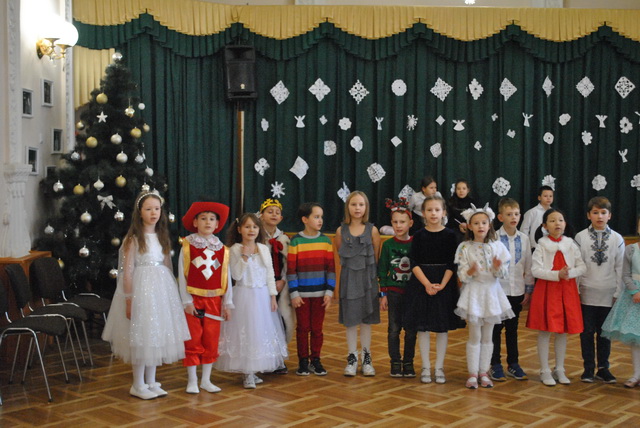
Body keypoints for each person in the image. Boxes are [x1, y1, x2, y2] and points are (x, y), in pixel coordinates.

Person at [102, 191, 190, 400]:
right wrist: (129, 299)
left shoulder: (162, 237)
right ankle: (138, 384)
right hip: (141, 291)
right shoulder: (133, 240)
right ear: (139, 212)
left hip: (161, 290)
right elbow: (127, 272)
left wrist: (172, 295)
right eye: (148, 209)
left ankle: (151, 381)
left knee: (155, 335)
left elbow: (167, 266)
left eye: (157, 209)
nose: (153, 213)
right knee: (143, 336)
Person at [215, 213, 288, 389]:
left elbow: (270, 274)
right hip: (244, 295)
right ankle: (247, 373)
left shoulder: (263, 248)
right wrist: (245, 257)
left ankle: (254, 370)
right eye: (247, 227)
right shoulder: (234, 249)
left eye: (254, 227)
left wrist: (273, 296)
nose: (251, 230)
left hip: (262, 296)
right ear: (240, 229)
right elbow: (236, 275)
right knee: (246, 331)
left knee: (260, 331)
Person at [406, 195, 465, 384]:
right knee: (422, 327)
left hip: (444, 284)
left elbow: (452, 263)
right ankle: (425, 366)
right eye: (429, 210)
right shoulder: (419, 235)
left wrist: (443, 284)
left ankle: (439, 367)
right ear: (423, 213)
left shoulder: (450, 235)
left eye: (437, 210)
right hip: (421, 283)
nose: (433, 213)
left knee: (442, 327)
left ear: (444, 212)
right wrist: (426, 284)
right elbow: (414, 262)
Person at [455, 203, 513, 389]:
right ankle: (472, 373)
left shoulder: (497, 246)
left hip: (492, 294)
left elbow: (503, 274)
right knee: (475, 335)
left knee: (488, 336)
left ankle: (484, 372)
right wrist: (471, 271)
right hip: (474, 293)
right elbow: (462, 275)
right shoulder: (465, 247)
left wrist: (497, 267)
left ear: (489, 225)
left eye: (484, 223)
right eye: (476, 223)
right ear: (469, 226)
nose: (480, 226)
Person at [177, 200, 233, 394]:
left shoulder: (223, 249)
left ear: (217, 224)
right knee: (193, 339)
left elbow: (226, 279)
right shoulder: (187, 246)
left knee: (211, 339)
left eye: (211, 219)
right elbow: (182, 275)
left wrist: (227, 303)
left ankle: (206, 380)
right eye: (203, 218)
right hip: (193, 300)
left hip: (214, 301)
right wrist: (186, 301)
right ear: (195, 222)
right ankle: (192, 380)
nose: (207, 222)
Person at [526, 208, 586, 386]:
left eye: (560, 220)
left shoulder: (570, 244)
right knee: (545, 330)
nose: (557, 223)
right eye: (552, 221)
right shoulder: (541, 245)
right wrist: (556, 275)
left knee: (562, 331)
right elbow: (535, 270)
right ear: (545, 226)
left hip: (567, 290)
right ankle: (544, 370)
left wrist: (569, 274)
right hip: (547, 290)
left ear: (565, 224)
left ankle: (560, 368)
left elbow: (582, 267)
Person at [574, 196, 625, 383]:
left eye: (603, 213)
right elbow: (577, 265)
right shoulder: (580, 237)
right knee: (587, 332)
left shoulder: (617, 239)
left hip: (608, 294)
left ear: (609, 215)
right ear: (589, 215)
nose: (600, 216)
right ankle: (588, 368)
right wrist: (576, 291)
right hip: (586, 293)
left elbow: (620, 267)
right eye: (595, 213)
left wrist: (618, 292)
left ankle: (603, 368)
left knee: (605, 333)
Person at [335, 191, 381, 376]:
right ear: (348, 207)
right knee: (351, 320)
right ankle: (352, 357)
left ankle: (367, 358)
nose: (357, 208)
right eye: (353, 204)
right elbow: (341, 254)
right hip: (349, 280)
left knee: (366, 320)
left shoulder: (373, 230)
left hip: (368, 280)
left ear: (366, 207)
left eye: (361, 204)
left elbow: (375, 257)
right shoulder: (341, 231)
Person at [287, 202, 335, 376]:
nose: (320, 220)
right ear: (305, 219)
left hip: (320, 295)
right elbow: (291, 270)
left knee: (317, 329)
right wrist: (294, 293)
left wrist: (329, 292)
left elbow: (331, 269)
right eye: (316, 217)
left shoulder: (326, 241)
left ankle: (316, 360)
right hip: (301, 295)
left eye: (321, 217)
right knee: (303, 328)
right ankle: (303, 361)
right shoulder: (296, 241)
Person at [489, 198, 534, 382]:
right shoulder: (494, 238)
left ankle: (513, 363)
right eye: (509, 214)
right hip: (498, 292)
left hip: (517, 291)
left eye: (516, 214)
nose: (513, 217)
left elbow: (528, 265)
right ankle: (495, 364)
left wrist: (528, 289)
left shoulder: (524, 238)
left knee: (513, 329)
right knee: (495, 329)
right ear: (500, 217)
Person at [378, 198, 416, 378]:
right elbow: (382, 270)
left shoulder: (416, 243)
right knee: (393, 329)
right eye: (395, 222)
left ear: (410, 223)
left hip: (412, 295)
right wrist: (383, 294)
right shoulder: (387, 245)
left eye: (402, 222)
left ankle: (408, 362)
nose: (399, 226)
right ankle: (395, 361)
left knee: (411, 330)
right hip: (393, 293)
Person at [602, 216, 640, 388]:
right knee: (635, 339)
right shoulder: (631, 249)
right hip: (634, 298)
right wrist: (634, 291)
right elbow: (626, 274)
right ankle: (636, 374)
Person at [260, 198, 295, 374]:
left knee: (281, 320)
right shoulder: (256, 237)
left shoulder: (284, 239)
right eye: (269, 211)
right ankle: (263, 357)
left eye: (277, 212)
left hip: (281, 284)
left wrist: (283, 280)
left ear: (281, 218)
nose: (274, 215)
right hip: (261, 285)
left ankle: (279, 357)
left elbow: (289, 263)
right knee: (263, 321)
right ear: (261, 216)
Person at [446, 179, 476, 243]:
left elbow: (476, 218)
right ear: (455, 190)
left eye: (464, 188)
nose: (461, 191)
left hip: (470, 228)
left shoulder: (473, 202)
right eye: (458, 189)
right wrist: (459, 225)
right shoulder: (450, 202)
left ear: (468, 190)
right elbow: (449, 218)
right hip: (454, 228)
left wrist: (467, 225)